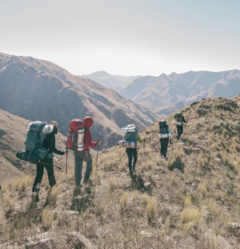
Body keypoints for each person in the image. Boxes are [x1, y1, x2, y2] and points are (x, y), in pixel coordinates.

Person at [32, 121, 65, 193]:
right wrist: (62, 152)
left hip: (39, 156)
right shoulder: (51, 135)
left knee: (38, 176)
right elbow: (53, 149)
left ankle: (35, 192)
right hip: (47, 158)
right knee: (50, 174)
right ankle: (54, 189)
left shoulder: (42, 133)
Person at [74, 116, 100, 186]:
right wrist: (96, 143)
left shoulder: (79, 129)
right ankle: (86, 178)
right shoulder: (87, 131)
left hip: (76, 150)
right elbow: (88, 143)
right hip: (83, 151)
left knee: (78, 167)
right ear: (90, 123)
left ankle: (78, 183)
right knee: (89, 161)